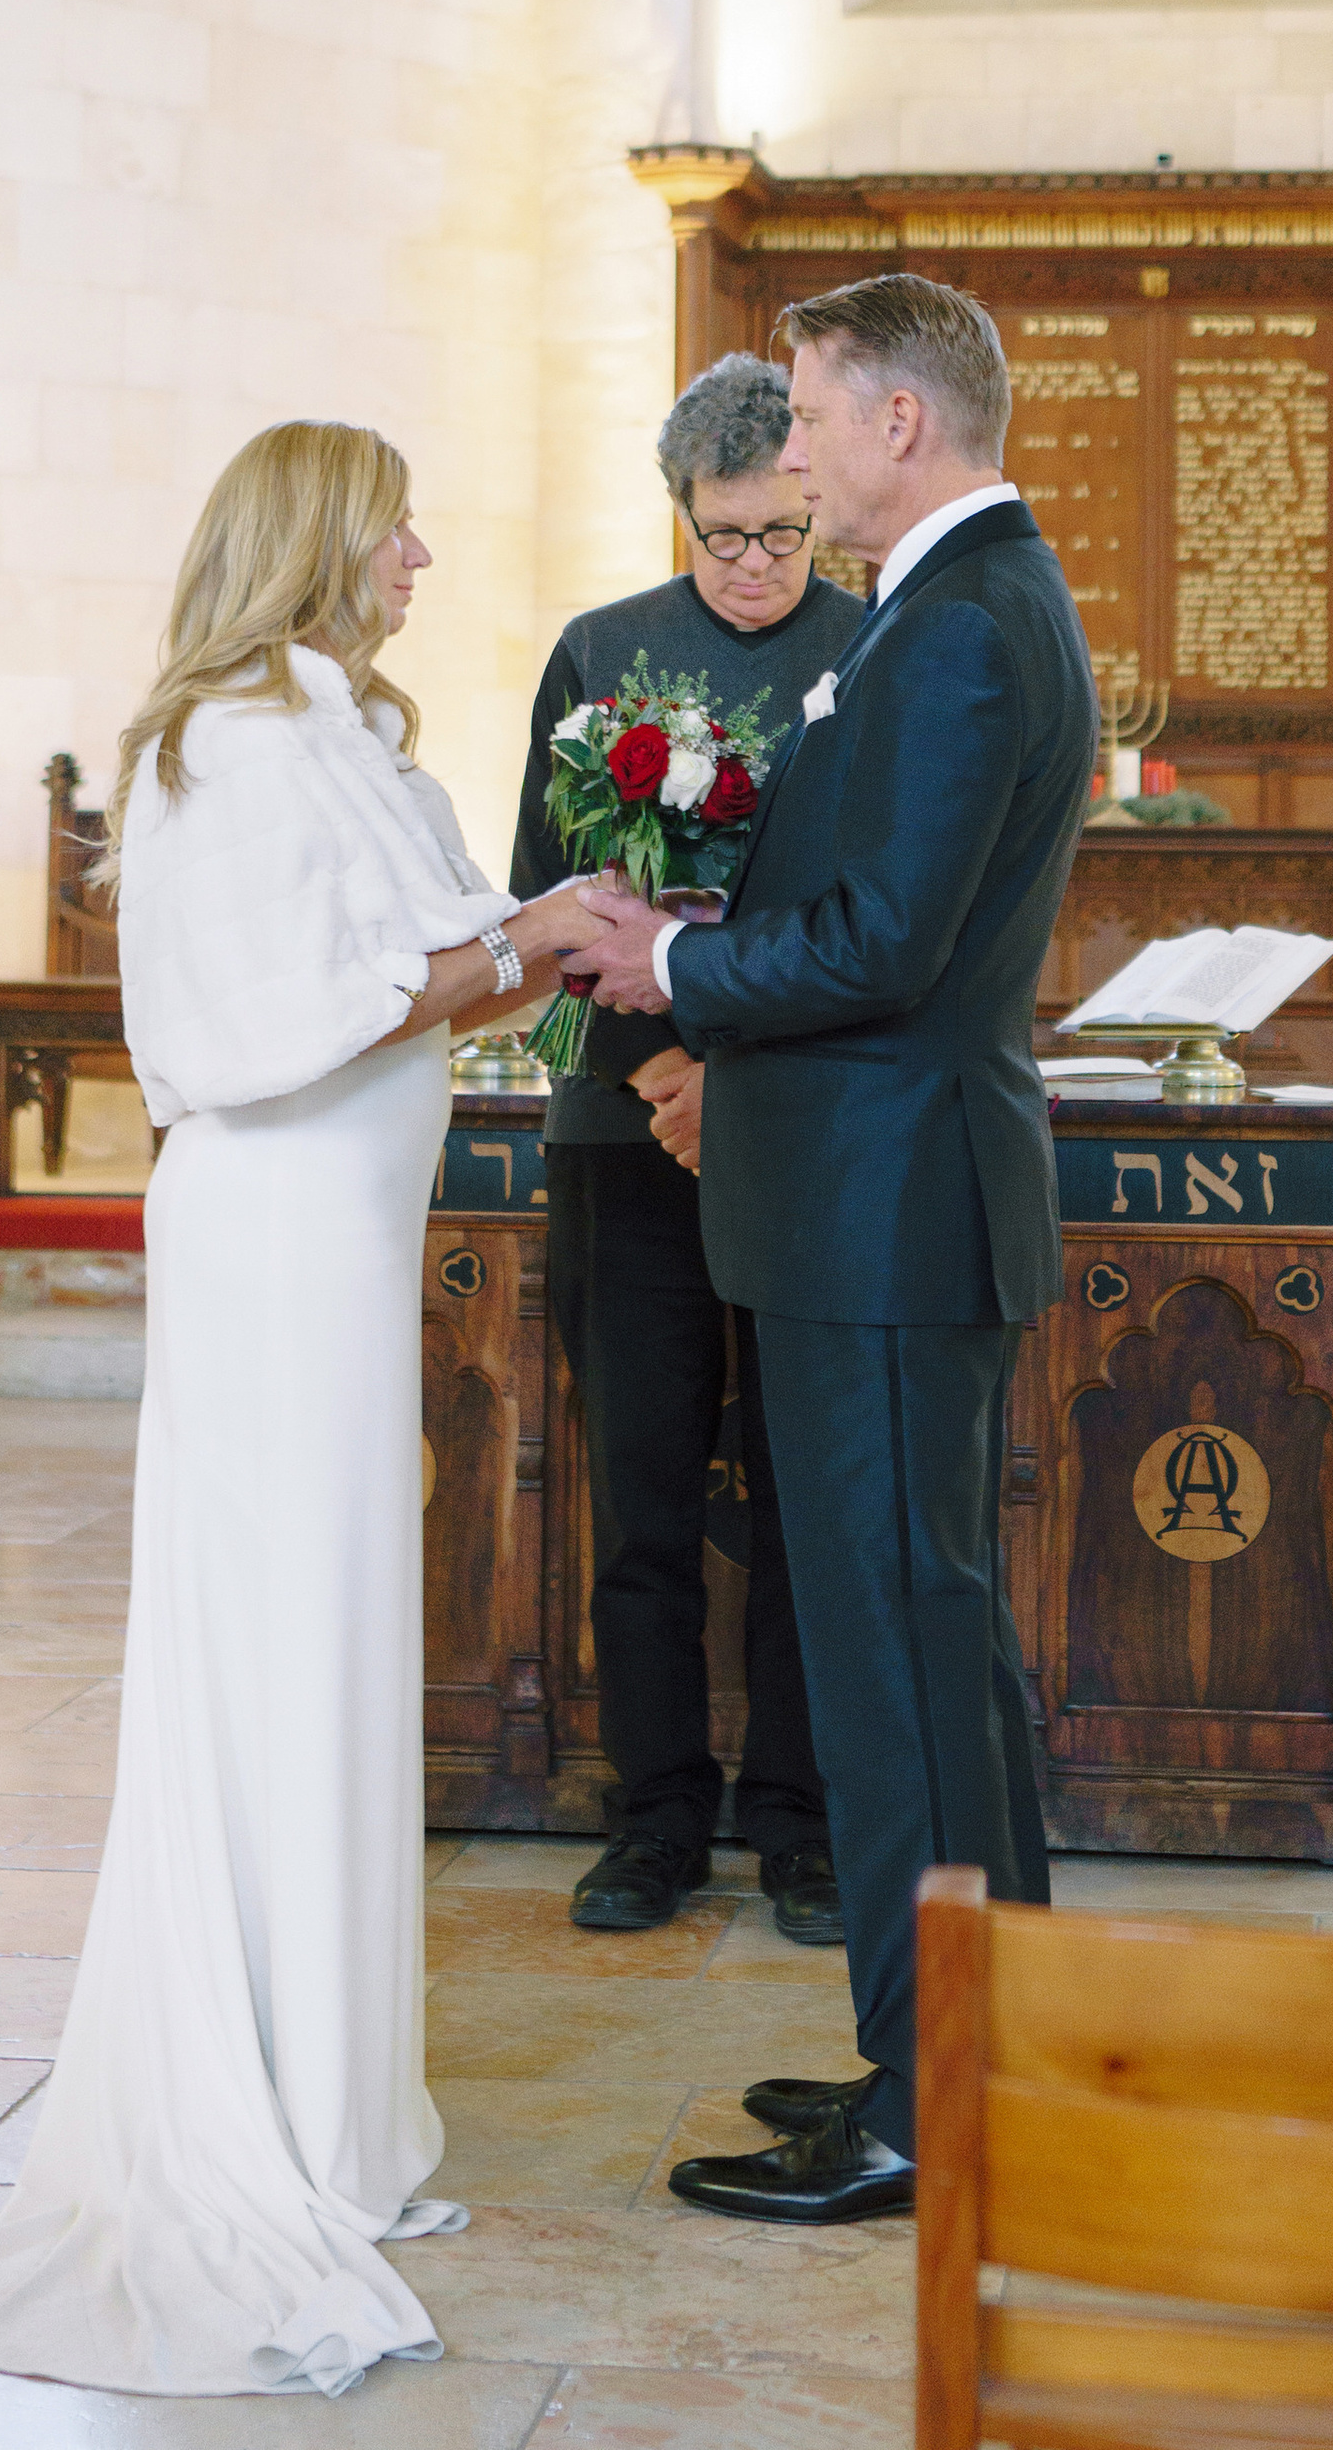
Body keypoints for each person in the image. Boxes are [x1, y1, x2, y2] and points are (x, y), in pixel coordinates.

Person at [0, 422, 608, 2398]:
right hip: (273, 1241)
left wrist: (556, 932)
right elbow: (278, 1022)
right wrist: (531, 934)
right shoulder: (236, 745)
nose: (422, 556)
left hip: (341, 1245)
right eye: (394, 528)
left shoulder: (339, 738)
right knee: (273, 1647)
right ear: (317, 542)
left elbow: (437, 972)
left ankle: (329, 2108)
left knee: (332, 1647)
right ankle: (247, 2111)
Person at [580, 274, 1096, 2227]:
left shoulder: (959, 623)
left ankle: (932, 2105)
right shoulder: (959, 603)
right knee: (928, 1648)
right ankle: (968, 2049)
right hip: (877, 1196)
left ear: (897, 421)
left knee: (897, 1664)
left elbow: (887, 942)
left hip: (882, 1214)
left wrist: (677, 962)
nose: (786, 452)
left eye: (805, 414)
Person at [515, 355, 862, 1941]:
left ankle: (799, 1818)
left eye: (782, 534)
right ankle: (652, 1817)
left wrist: (745, 1086)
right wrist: (665, 1072)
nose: (754, 566)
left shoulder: (871, 651)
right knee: (640, 1491)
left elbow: (873, 918)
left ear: (817, 508)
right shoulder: (599, 653)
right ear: (680, 514)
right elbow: (542, 906)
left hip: (802, 1134)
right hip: (619, 1124)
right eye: (723, 536)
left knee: (804, 1493)